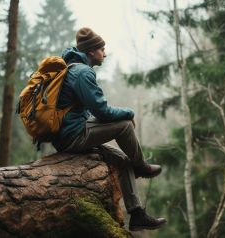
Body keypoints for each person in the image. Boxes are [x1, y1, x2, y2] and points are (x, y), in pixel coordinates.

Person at [52, 27, 167, 231]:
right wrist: (129, 113)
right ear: (91, 51)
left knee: (123, 161)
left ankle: (137, 214)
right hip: (73, 136)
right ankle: (141, 165)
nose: (105, 53)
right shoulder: (82, 73)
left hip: (68, 133)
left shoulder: (72, 68)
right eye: (102, 49)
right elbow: (103, 112)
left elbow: (94, 113)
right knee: (124, 125)